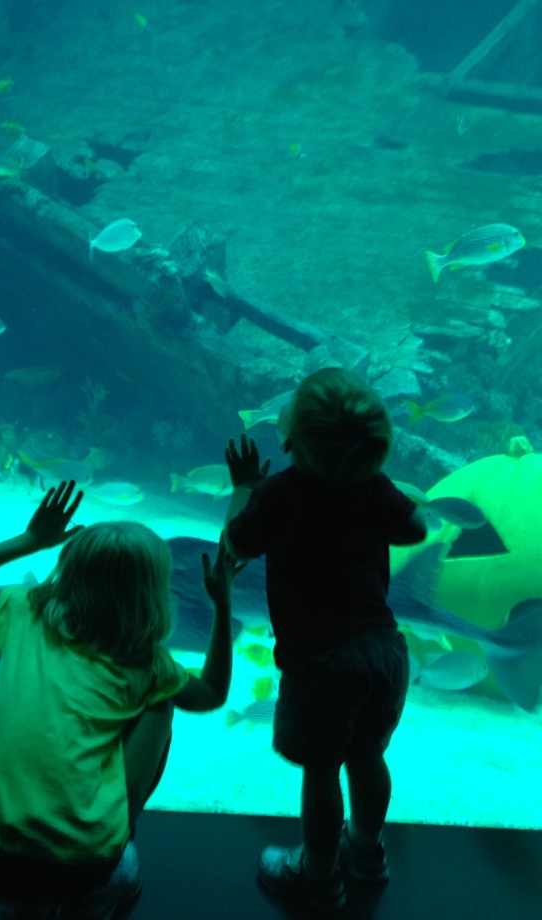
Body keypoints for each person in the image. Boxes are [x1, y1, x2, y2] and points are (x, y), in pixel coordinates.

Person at [0, 480, 241, 920]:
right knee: (162, 699)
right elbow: (210, 694)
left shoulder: (23, 611)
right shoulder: (150, 664)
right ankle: (108, 867)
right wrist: (222, 607)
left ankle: (26, 904)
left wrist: (31, 539)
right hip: (80, 868)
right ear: (152, 595)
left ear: (67, 571)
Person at [222, 367, 428, 912]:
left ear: (290, 438)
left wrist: (244, 486)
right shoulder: (373, 486)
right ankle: (365, 851)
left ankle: (315, 873)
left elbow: (235, 546)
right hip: (384, 650)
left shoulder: (279, 493)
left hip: (323, 662)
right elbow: (415, 530)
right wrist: (369, 487)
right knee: (366, 756)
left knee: (322, 769)